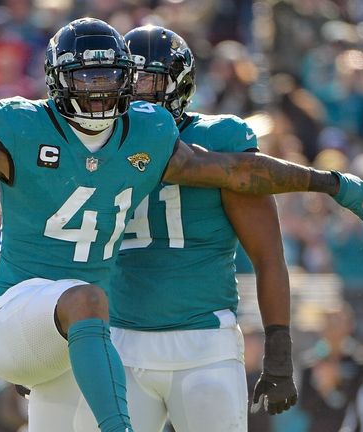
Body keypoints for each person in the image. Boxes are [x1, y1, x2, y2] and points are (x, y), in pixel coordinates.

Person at [0, 18, 363, 432]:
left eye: (112, 78)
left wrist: (328, 182)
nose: (106, 89)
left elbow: (238, 174)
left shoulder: (154, 135)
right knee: (87, 302)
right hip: (56, 316)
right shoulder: (24, 128)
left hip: (124, 338)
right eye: (91, 78)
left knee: (85, 320)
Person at [94, 25, 293, 432]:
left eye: (148, 80)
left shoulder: (220, 137)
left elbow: (268, 256)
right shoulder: (97, 141)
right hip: (120, 342)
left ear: (178, 85)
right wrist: (48, 340)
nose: (136, 92)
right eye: (127, 80)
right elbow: (66, 249)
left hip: (203, 344)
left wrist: (278, 346)